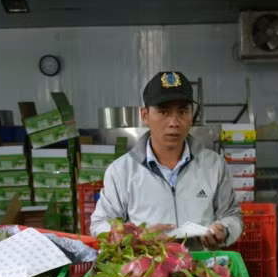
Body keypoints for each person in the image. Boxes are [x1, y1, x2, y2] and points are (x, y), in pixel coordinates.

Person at [90, 71, 242, 249]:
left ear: (192, 115)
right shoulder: (121, 171)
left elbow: (232, 215)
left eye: (183, 112)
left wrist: (224, 229)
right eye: (163, 112)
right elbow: (100, 224)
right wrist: (137, 236)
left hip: (200, 269)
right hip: (147, 272)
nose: (174, 122)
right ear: (145, 115)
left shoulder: (214, 165)